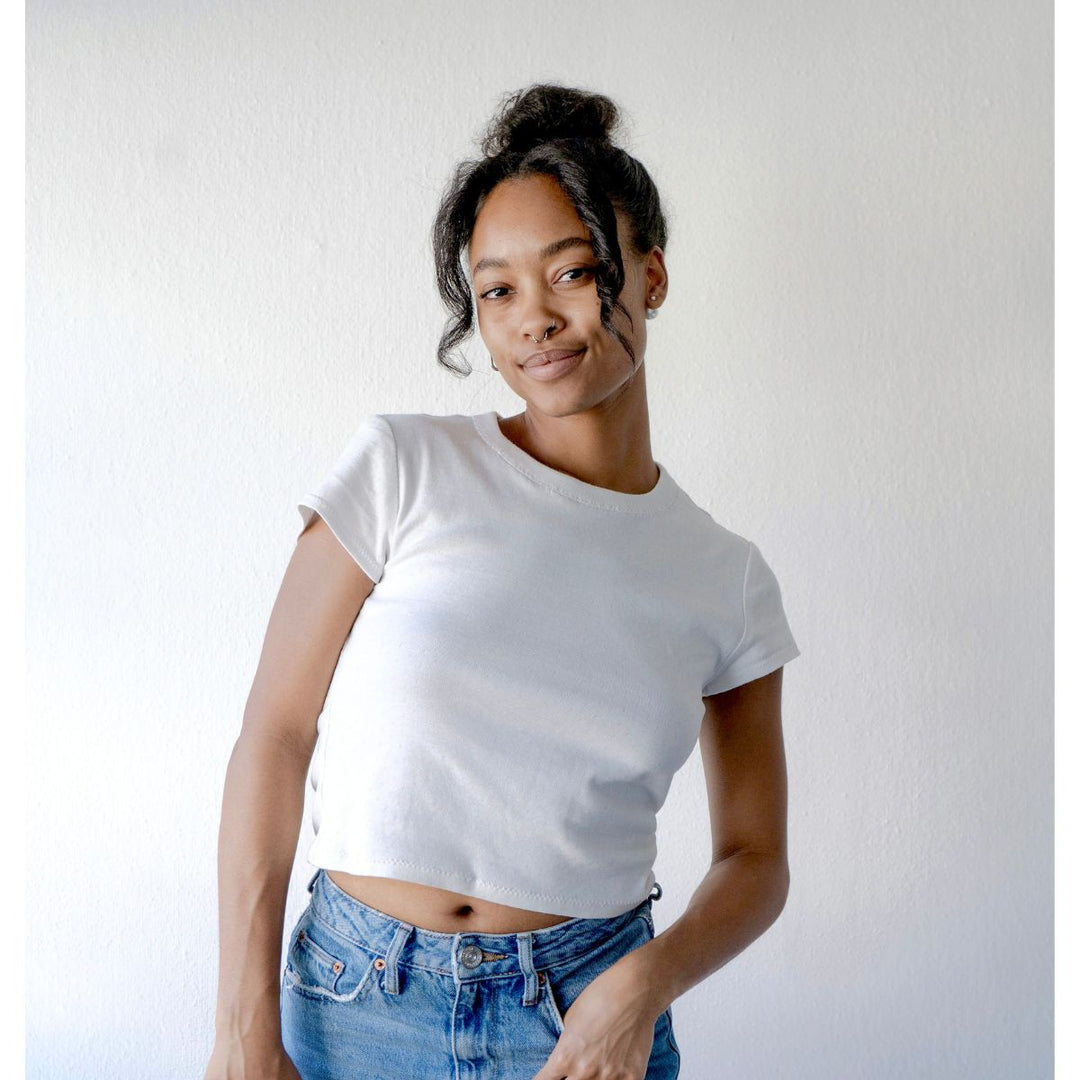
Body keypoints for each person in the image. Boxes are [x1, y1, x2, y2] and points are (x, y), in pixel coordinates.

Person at [203, 83, 800, 1080]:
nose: (535, 320)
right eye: (496, 291)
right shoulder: (403, 468)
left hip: (581, 1019)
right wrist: (239, 1031)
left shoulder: (725, 576)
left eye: (572, 272)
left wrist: (643, 986)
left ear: (649, 275)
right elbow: (273, 734)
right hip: (355, 1002)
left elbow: (756, 861)